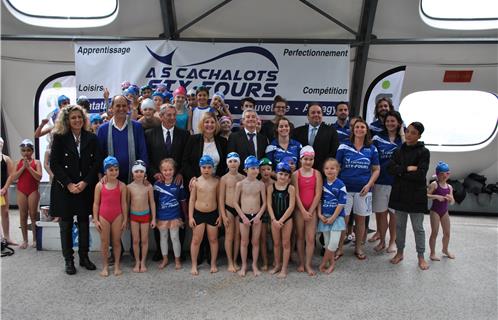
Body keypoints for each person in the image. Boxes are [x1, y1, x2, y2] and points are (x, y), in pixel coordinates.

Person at [49, 105, 101, 274]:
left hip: (85, 187)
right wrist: (69, 184)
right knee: (66, 225)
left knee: (84, 222)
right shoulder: (59, 137)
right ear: (67, 120)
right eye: (73, 118)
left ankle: (84, 257)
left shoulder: (91, 138)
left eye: (80, 117)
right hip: (65, 188)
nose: (77, 120)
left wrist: (85, 182)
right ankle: (68, 260)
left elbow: (96, 163)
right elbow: (54, 164)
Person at [144, 105, 190, 260]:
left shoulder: (184, 135)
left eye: (174, 115)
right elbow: (147, 158)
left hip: (177, 182)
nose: (172, 118)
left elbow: (186, 157)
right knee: (159, 214)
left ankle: (180, 251)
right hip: (159, 182)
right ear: (161, 116)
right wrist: (154, 173)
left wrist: (181, 173)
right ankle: (160, 250)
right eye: (168, 115)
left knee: (179, 215)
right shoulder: (150, 134)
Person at [335, 119, 380, 260]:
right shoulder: (343, 146)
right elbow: (337, 167)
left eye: (362, 127)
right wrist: (338, 186)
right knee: (343, 220)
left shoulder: (372, 148)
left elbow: (376, 169)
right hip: (345, 190)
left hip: (363, 190)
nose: (359, 129)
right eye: (357, 127)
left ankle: (359, 248)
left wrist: (369, 184)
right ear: (353, 129)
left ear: (366, 130)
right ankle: (340, 248)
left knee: (360, 221)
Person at [388, 121, 430, 270]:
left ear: (419, 135)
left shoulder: (424, 152)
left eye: (413, 132)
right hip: (399, 194)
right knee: (399, 226)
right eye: (408, 131)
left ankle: (421, 256)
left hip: (416, 196)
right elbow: (390, 169)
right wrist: (407, 169)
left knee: (418, 228)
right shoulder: (398, 151)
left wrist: (401, 172)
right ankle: (400, 252)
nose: (409, 134)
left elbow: (420, 174)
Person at [370, 110, 404, 252]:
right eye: (388, 121)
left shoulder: (402, 139)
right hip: (380, 181)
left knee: (394, 214)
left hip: (396, 183)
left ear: (398, 123)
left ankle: (392, 242)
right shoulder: (377, 138)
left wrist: (402, 133)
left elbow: (407, 151)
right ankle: (382, 240)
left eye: (393, 121)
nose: (390, 123)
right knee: (381, 213)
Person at [97, 95, 148, 183]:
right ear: (111, 108)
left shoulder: (137, 127)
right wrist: (101, 174)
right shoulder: (103, 129)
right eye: (118, 106)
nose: (121, 108)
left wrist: (143, 172)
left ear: (128, 108)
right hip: (110, 180)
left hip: (135, 179)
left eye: (124, 106)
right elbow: (99, 155)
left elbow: (143, 152)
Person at [2, 139, 42, 249]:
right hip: (21, 191)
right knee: (23, 215)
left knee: (33, 215)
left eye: (28, 150)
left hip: (33, 190)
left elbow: (39, 177)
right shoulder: (17, 163)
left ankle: (35, 239)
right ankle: (25, 240)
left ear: (32, 151)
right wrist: (23, 167)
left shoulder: (37, 162)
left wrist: (29, 168)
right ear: (21, 151)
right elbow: (14, 177)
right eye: (23, 150)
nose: (26, 153)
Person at [93, 156, 128, 277]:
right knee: (104, 242)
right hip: (104, 216)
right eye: (111, 170)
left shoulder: (122, 186)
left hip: (117, 216)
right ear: (105, 171)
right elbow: (96, 203)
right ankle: (105, 266)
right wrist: (96, 219)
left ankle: (117, 265)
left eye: (116, 169)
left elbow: (124, 203)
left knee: (117, 242)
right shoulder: (99, 186)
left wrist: (125, 219)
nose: (114, 172)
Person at [233, 156, 267, 277]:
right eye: (252, 168)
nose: (255, 170)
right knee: (244, 241)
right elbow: (235, 203)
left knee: (255, 242)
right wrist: (243, 217)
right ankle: (243, 265)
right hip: (244, 216)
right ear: (246, 169)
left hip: (257, 216)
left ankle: (254, 265)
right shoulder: (240, 184)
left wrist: (259, 216)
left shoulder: (261, 184)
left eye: (257, 168)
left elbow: (265, 203)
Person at [292, 146, 322, 276]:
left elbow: (318, 194)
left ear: (313, 160)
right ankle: (301, 262)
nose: (308, 162)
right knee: (300, 237)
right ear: (301, 159)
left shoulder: (317, 174)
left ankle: (309, 264)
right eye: (305, 159)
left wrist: (310, 210)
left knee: (310, 238)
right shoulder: (295, 174)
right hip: (300, 210)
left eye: (310, 159)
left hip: (312, 210)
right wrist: (303, 211)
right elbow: (296, 194)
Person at [188, 155, 220, 275]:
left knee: (213, 239)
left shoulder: (217, 182)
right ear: (200, 168)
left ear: (212, 168)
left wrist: (220, 215)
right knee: (196, 240)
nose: (206, 170)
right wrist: (191, 217)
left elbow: (219, 199)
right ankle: (194, 264)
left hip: (213, 213)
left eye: (209, 167)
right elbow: (191, 200)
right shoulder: (196, 182)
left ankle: (213, 263)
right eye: (204, 167)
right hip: (199, 214)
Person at [154, 159, 187, 270]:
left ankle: (177, 260)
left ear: (174, 170)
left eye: (170, 170)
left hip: (174, 216)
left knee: (174, 237)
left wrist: (185, 215)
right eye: (165, 170)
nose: (167, 172)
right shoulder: (157, 184)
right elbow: (154, 201)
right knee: (163, 237)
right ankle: (165, 259)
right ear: (160, 171)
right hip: (162, 216)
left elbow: (182, 200)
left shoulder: (178, 183)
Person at [317, 158, 347, 274]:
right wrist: (319, 214)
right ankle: (332, 264)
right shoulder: (322, 183)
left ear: (338, 170)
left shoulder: (340, 185)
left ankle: (323, 263)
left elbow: (341, 203)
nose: (330, 171)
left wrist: (333, 217)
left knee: (334, 243)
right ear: (323, 170)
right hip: (324, 217)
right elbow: (319, 200)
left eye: (332, 168)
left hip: (337, 218)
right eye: (327, 168)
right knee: (327, 242)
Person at [267, 161, 295, 278]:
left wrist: (281, 220)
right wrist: (274, 220)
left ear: (289, 177)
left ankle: (284, 268)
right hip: (274, 219)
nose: (282, 176)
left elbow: (291, 206)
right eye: (280, 174)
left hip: (286, 219)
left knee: (285, 243)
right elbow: (268, 204)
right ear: (276, 174)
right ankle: (277, 265)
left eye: (285, 175)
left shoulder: (291, 188)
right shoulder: (270, 187)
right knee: (276, 243)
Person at [292, 103, 339, 172]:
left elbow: (333, 153)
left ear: (322, 115)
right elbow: (294, 152)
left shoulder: (331, 132)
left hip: (323, 173)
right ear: (308, 116)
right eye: (313, 112)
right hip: (301, 173)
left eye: (319, 112)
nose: (316, 115)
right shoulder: (297, 132)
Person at [182, 112, 227, 184]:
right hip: (196, 182)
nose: (210, 124)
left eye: (212, 122)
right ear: (202, 124)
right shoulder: (193, 139)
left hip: (216, 183)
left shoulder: (223, 141)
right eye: (207, 122)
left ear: (216, 124)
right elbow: (185, 162)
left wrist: (219, 176)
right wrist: (192, 177)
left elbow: (224, 163)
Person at [128, 161, 156, 273]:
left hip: (145, 215)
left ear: (144, 173)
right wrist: (126, 219)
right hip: (134, 216)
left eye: (141, 171)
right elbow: (126, 204)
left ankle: (143, 262)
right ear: (133, 173)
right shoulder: (129, 187)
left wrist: (153, 218)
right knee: (135, 240)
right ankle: (137, 262)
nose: (139, 173)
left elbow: (152, 203)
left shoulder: (149, 187)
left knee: (144, 240)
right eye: (136, 171)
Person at [218, 152, 245, 273]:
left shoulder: (243, 178)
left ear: (239, 163)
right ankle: (229, 262)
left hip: (239, 210)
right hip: (228, 209)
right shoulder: (224, 178)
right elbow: (220, 199)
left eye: (235, 161)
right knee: (229, 236)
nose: (233, 164)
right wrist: (223, 215)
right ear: (227, 164)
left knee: (237, 236)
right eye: (230, 161)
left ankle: (235, 260)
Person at [428, 161, 455, 261]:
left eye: (447, 173)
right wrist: (436, 196)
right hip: (435, 211)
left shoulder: (449, 187)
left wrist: (450, 199)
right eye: (442, 174)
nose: (445, 176)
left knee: (447, 233)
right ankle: (432, 253)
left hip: (444, 211)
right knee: (434, 232)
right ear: (438, 174)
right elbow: (426, 195)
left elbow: (453, 202)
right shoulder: (434, 184)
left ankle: (445, 249)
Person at [227, 108, 268, 174]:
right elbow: (231, 159)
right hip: (240, 176)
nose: (251, 119)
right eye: (248, 117)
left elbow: (264, 159)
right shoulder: (234, 137)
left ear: (257, 120)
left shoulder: (263, 139)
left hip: (258, 177)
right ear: (243, 121)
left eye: (253, 117)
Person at [0, 137, 16, 245]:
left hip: (2, 190)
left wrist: (5, 188)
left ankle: (7, 237)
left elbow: (11, 176)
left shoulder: (6, 159)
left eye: (0, 144)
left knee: (5, 213)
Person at [258, 157, 273, 271]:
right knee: (262, 238)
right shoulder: (257, 184)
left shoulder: (276, 183)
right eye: (263, 169)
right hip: (262, 214)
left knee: (275, 239)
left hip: (273, 214)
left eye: (268, 169)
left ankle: (277, 260)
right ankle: (265, 262)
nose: (266, 172)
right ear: (259, 171)